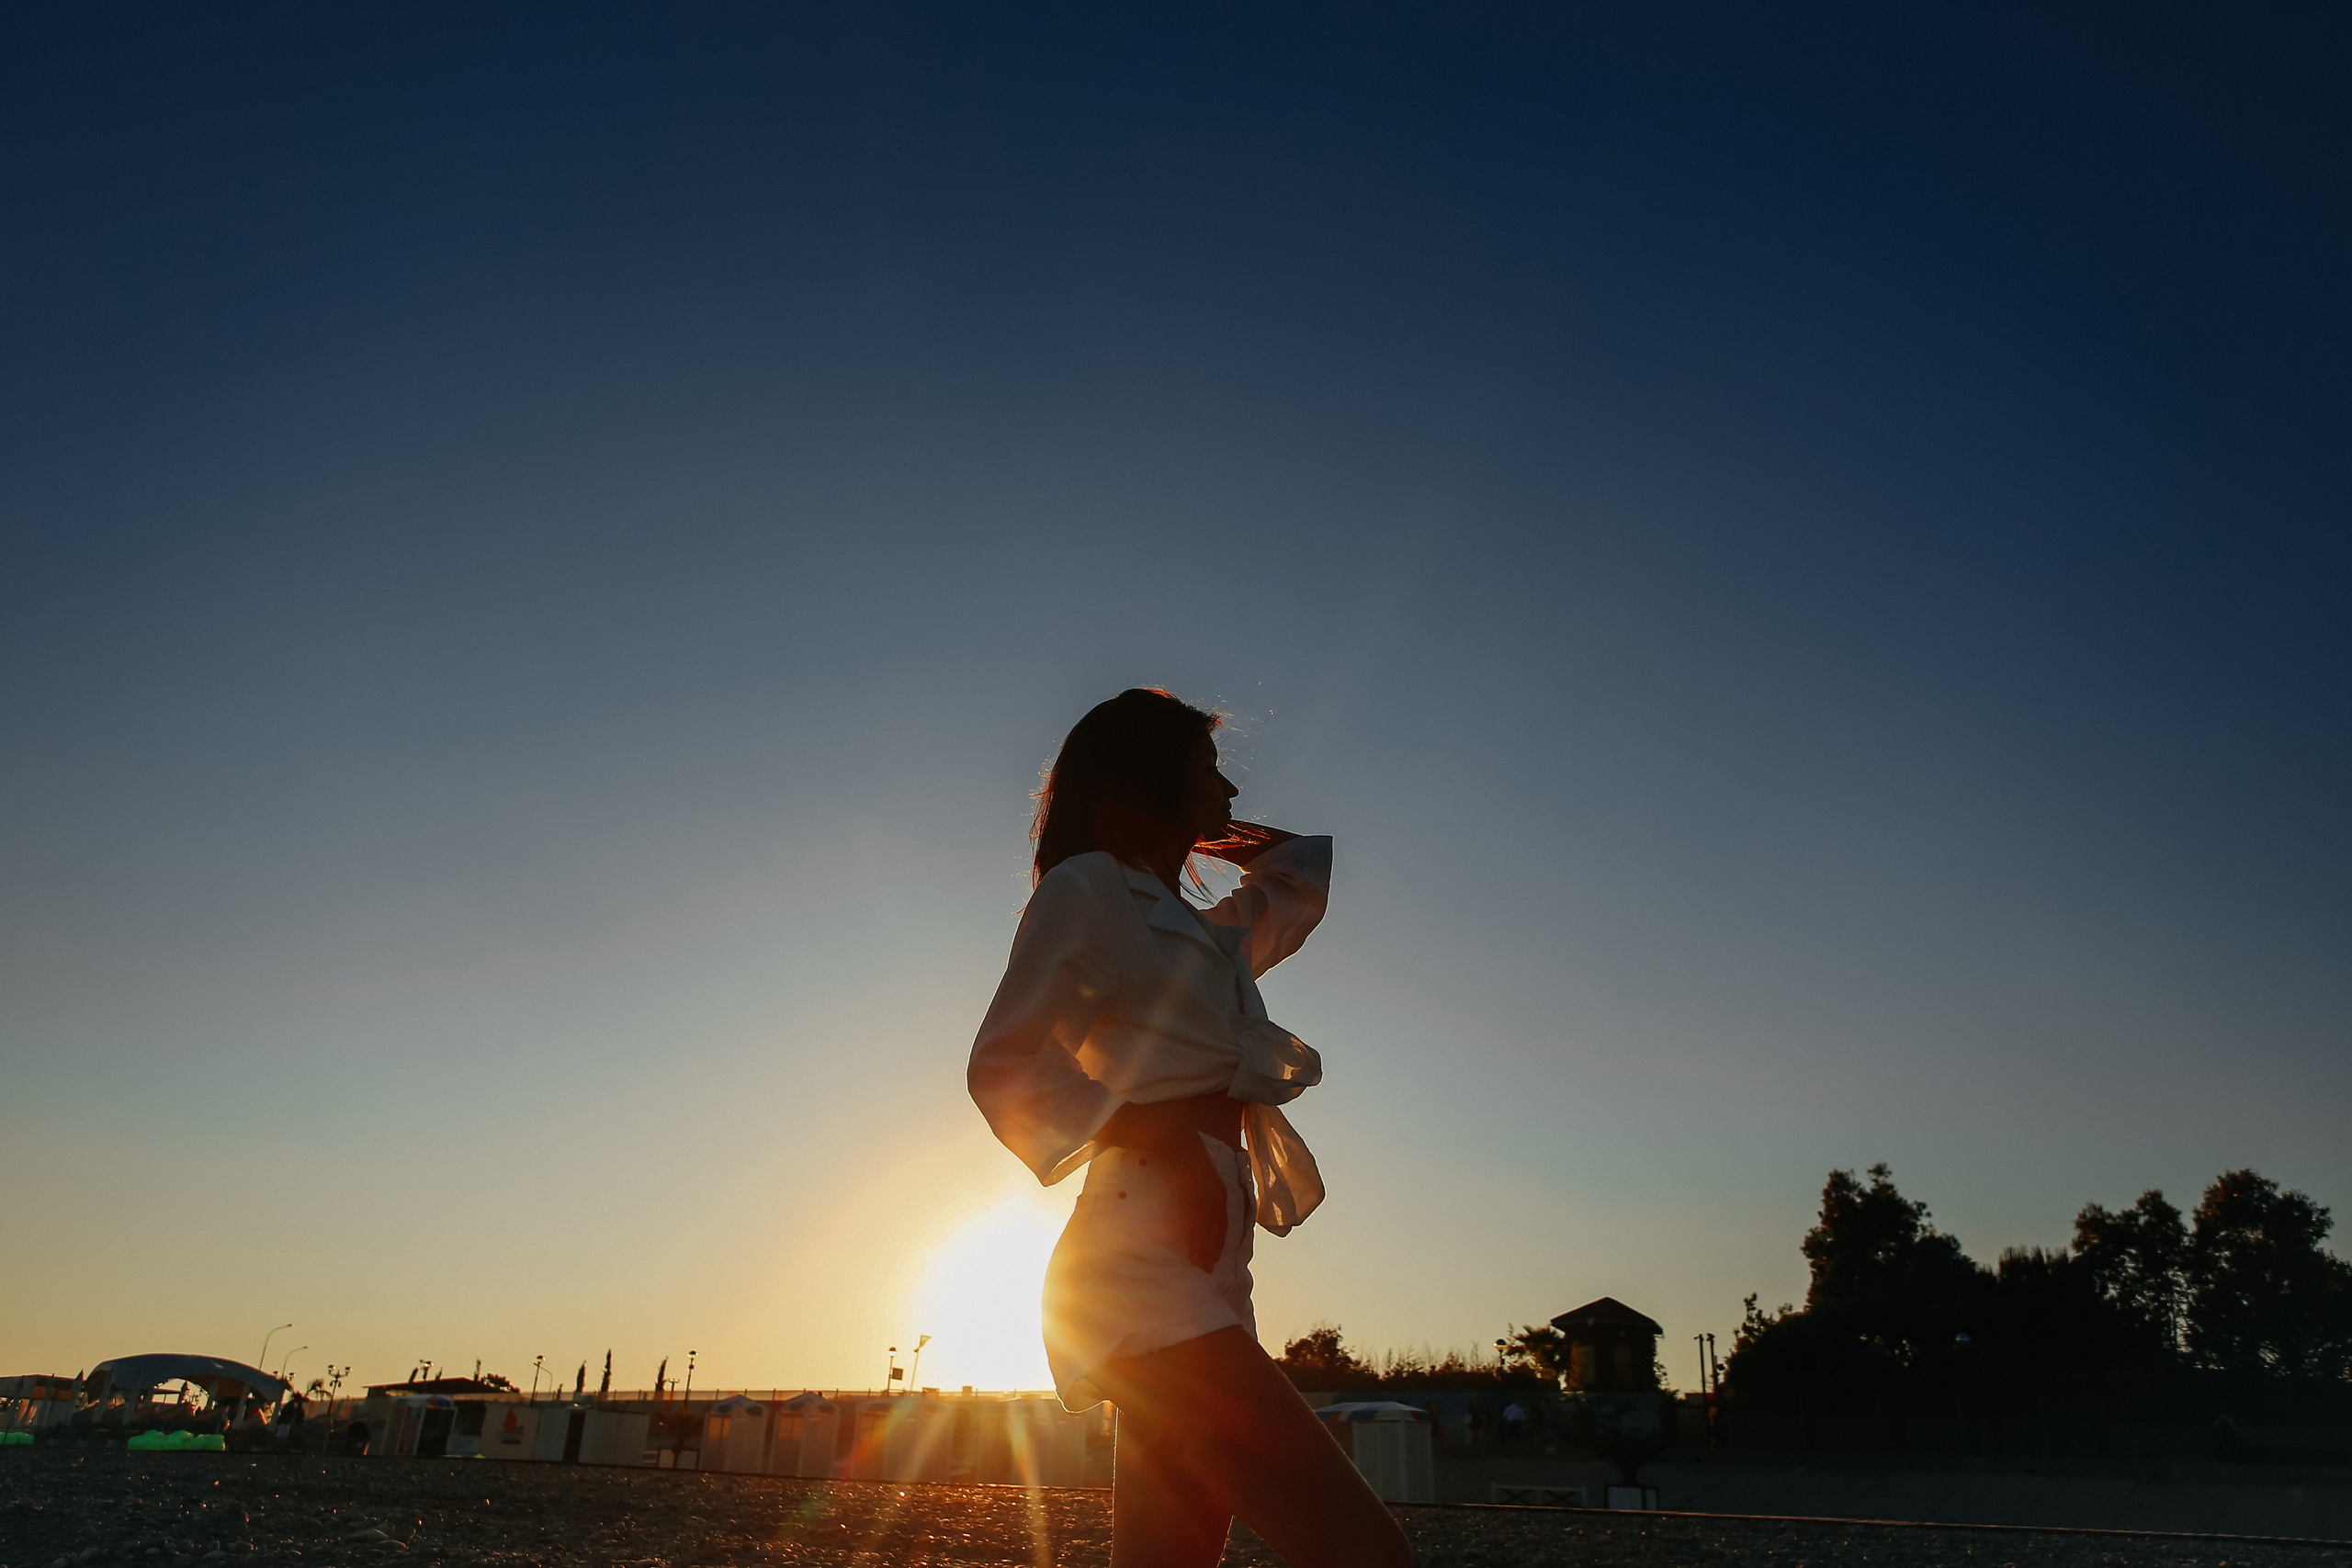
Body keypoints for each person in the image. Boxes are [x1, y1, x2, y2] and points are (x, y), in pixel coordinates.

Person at [969, 689, 1413, 1568]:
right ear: (1146, 775)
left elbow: (1299, 872)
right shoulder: (1089, 888)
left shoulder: (1203, 940)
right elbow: (1004, 1062)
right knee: (1366, 1553)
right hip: (1140, 1260)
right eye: (1208, 769)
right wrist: (1148, 1125)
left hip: (1218, 1269)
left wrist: (1207, 828)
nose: (1231, 785)